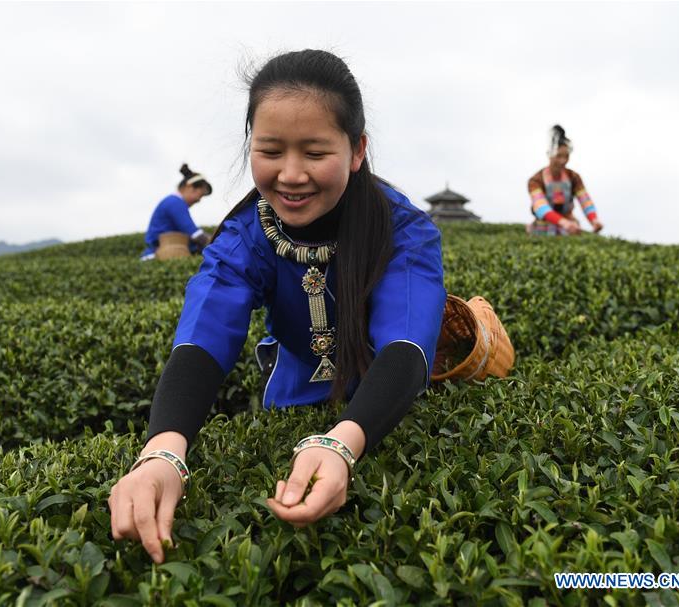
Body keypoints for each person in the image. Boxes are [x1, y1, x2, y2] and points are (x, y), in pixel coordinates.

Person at [109, 49, 446, 564]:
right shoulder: (244, 235)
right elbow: (204, 336)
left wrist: (342, 444)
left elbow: (406, 343)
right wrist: (162, 452)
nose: (290, 174)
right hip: (291, 394)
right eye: (269, 150)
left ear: (357, 150)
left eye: (314, 153)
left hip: (385, 398)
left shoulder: (404, 230)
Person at [527, 125, 604, 236]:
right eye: (558, 156)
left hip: (569, 226)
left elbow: (585, 200)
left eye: (566, 156)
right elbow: (540, 207)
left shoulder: (573, 177)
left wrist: (594, 219)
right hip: (544, 227)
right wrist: (563, 223)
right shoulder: (536, 180)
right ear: (550, 155)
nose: (563, 161)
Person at [140, 164, 213, 260]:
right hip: (157, 255)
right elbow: (196, 235)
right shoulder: (175, 203)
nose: (199, 200)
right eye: (200, 195)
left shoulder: (174, 202)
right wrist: (217, 243)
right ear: (190, 187)